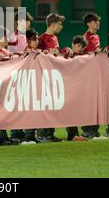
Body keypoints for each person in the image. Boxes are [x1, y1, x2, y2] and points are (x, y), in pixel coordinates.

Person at [36, 13, 65, 143]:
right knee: (44, 106)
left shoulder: (55, 38)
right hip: (43, 77)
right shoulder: (41, 38)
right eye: (59, 23)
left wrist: (64, 51)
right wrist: (46, 52)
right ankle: (41, 134)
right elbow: (35, 55)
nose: (61, 26)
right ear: (53, 24)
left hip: (53, 76)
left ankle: (49, 133)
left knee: (52, 106)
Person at [0, 26, 15, 146]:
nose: (7, 38)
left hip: (6, 85)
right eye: (5, 36)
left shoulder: (6, 51)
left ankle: (2, 136)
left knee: (2, 112)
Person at [81, 13, 104, 140]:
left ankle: (95, 131)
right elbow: (82, 54)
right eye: (95, 21)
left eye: (98, 21)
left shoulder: (96, 36)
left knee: (96, 102)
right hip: (87, 74)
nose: (97, 23)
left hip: (96, 73)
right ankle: (86, 131)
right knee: (87, 102)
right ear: (89, 23)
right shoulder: (86, 37)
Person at [65, 36, 87, 142]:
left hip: (75, 88)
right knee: (70, 112)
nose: (78, 48)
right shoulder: (66, 53)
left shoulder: (82, 57)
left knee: (74, 112)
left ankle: (75, 134)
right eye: (77, 45)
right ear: (72, 44)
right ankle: (72, 135)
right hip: (66, 88)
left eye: (81, 47)